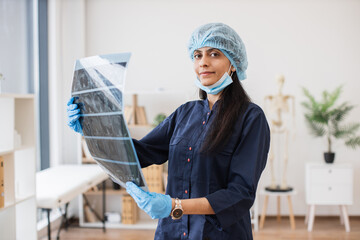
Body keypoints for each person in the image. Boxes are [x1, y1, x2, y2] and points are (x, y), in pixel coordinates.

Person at [67, 23, 270, 240]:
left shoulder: (251, 118)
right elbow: (140, 153)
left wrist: (176, 206)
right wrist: (91, 128)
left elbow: (240, 194)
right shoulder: (184, 113)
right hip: (171, 233)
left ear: (233, 63)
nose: (203, 62)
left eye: (214, 54)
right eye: (197, 55)